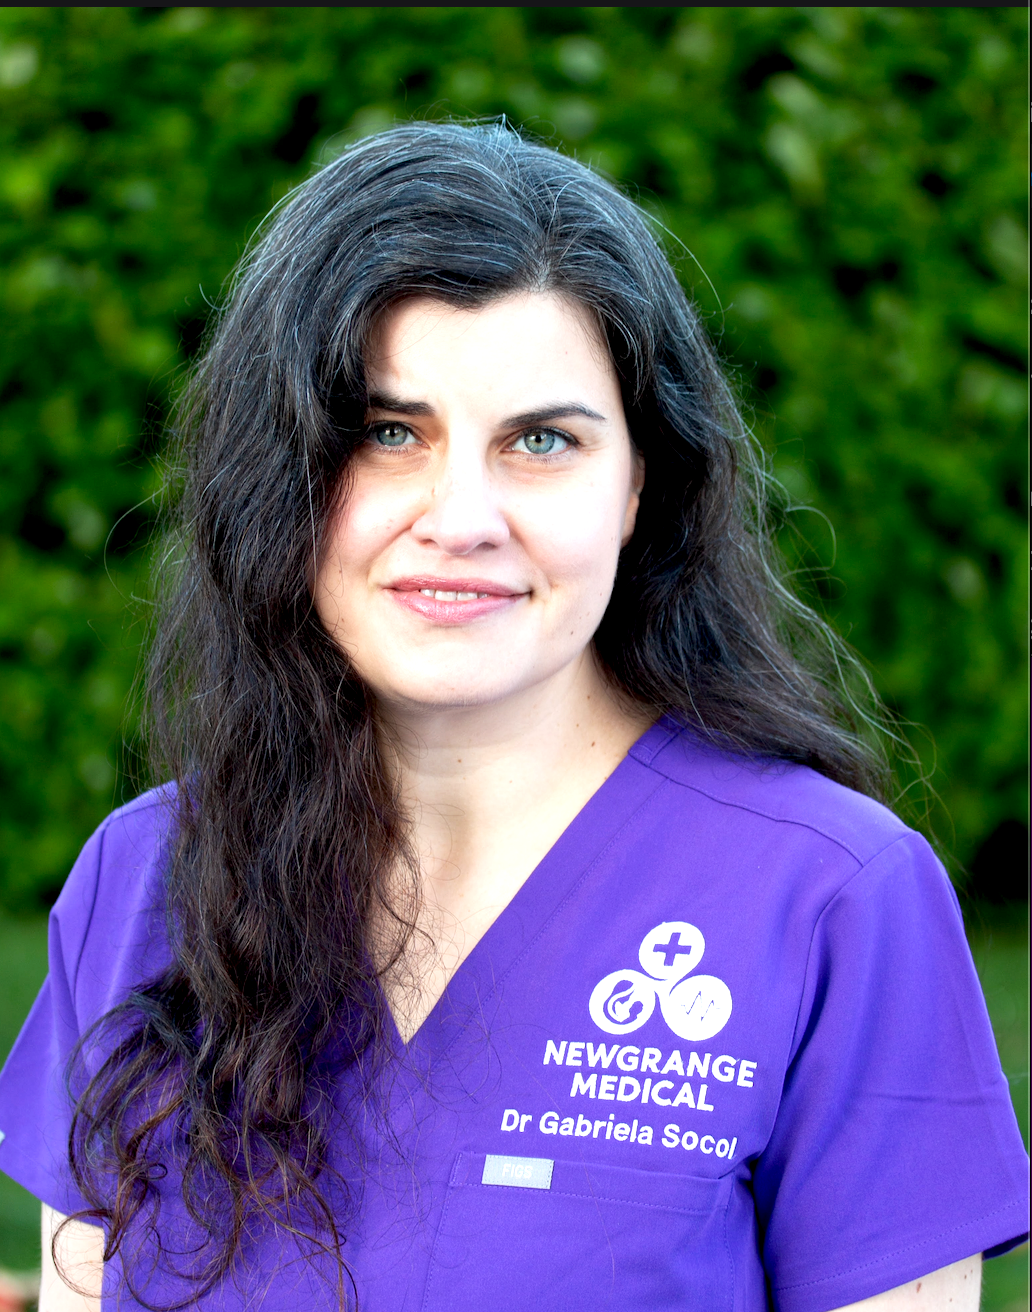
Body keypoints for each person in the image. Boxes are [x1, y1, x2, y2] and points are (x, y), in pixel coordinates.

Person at [0, 122, 1026, 1312]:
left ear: (641, 484)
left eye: (542, 440)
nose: (462, 514)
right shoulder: (141, 883)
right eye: (390, 432)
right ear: (280, 472)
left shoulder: (835, 900)